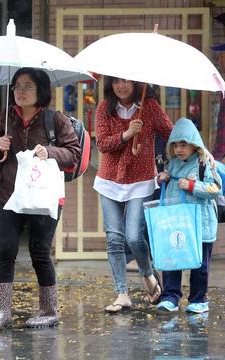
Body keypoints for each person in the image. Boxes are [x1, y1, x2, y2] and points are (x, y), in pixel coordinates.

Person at [0, 68, 81, 329]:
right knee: (6, 250)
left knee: (39, 251)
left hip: (44, 196)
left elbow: (73, 153)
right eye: (16, 86)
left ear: (41, 90)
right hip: (11, 195)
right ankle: (2, 311)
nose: (20, 91)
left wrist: (49, 151)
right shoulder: (6, 116)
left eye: (27, 86)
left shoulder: (55, 119)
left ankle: (49, 310)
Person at [94, 76, 173, 313]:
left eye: (127, 81)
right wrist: (127, 134)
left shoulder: (149, 108)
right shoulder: (103, 108)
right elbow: (104, 144)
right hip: (109, 181)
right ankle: (121, 293)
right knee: (114, 239)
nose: (122, 86)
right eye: (117, 81)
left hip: (140, 180)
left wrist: (197, 153)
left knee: (134, 237)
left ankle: (147, 274)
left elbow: (171, 132)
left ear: (136, 84)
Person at [155, 118, 221, 314]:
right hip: (177, 223)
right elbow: (168, 189)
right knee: (172, 259)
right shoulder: (172, 164)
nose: (178, 149)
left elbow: (215, 189)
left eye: (183, 145)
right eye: (175, 145)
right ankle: (170, 297)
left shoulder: (204, 163)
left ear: (194, 144)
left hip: (201, 223)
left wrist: (192, 186)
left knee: (199, 264)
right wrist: (162, 179)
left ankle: (198, 299)